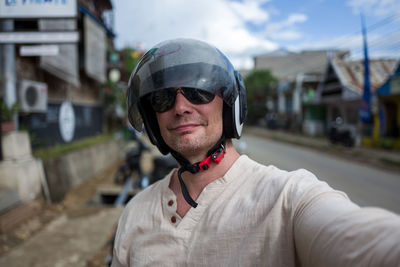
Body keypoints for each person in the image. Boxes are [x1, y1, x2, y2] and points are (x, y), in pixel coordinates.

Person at [111, 38, 400, 267]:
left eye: (198, 91)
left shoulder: (288, 198)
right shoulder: (135, 212)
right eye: (163, 98)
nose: (181, 107)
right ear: (152, 117)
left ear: (228, 105)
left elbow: (359, 239)